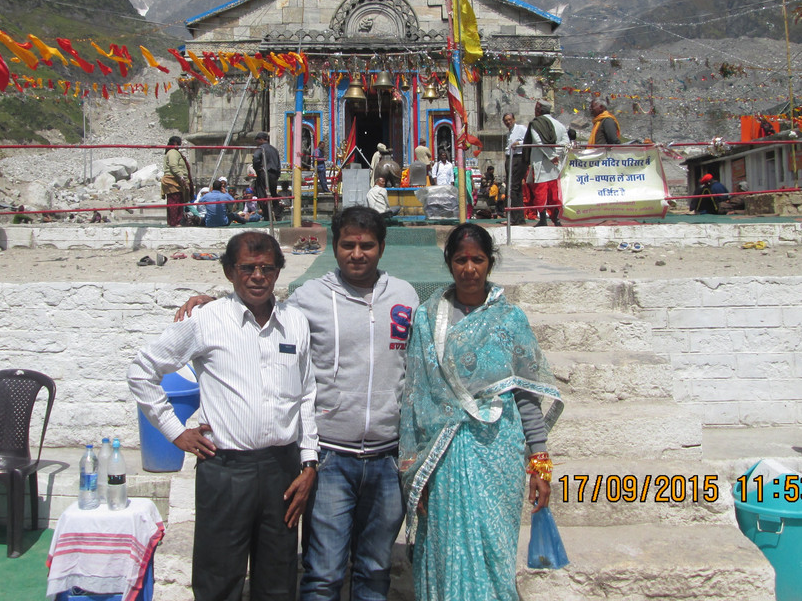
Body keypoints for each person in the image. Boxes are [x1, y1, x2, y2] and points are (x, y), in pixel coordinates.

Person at [177, 207, 419, 601]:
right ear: (333, 247)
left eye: (367, 245)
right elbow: (262, 301)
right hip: (329, 458)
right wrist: (218, 300)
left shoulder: (405, 296)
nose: (357, 253)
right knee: (322, 571)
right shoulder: (309, 297)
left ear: (382, 247)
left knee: (375, 569)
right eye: (348, 245)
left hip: (387, 457)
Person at [128, 232, 317, 601]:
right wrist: (174, 431)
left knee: (278, 579)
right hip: (225, 469)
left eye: (267, 268)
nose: (258, 276)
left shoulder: (296, 323)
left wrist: (308, 462)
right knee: (218, 579)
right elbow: (142, 370)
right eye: (248, 268)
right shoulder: (206, 320)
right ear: (230, 272)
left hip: (282, 469)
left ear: (279, 271)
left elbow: (307, 394)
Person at [399, 223, 563, 601]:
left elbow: (526, 396)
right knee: (443, 551)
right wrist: (413, 469)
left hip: (498, 456)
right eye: (460, 259)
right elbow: (414, 397)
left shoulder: (510, 320)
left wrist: (539, 464)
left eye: (478, 259)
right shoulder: (427, 319)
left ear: (491, 263)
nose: (469, 268)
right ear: (448, 262)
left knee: (494, 552)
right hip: (441, 455)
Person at [526, 100, 569, 227]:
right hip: (555, 165)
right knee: (553, 192)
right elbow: (565, 142)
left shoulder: (536, 124)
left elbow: (538, 142)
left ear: (538, 110)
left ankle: (544, 220)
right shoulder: (560, 125)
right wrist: (556, 154)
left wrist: (551, 156)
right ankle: (556, 218)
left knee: (541, 192)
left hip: (541, 163)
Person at [160, 136, 193, 228]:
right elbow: (173, 165)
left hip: (175, 180)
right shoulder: (173, 152)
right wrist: (182, 177)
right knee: (175, 202)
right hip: (173, 180)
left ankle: (174, 222)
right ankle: (174, 222)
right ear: (175, 143)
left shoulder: (172, 152)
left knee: (176, 201)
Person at [502, 113, 528, 224]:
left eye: (510, 119)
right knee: (511, 188)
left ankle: (516, 218)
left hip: (518, 158)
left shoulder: (521, 129)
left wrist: (519, 143)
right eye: (506, 121)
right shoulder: (509, 133)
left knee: (513, 187)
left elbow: (529, 140)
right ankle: (517, 217)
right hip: (510, 158)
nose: (508, 122)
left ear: (514, 119)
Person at [252, 131, 282, 220]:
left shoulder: (261, 149)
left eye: (257, 140)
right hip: (274, 174)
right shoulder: (274, 149)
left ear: (261, 140)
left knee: (261, 193)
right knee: (273, 193)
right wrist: (277, 174)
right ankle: (277, 214)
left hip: (264, 172)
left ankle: (267, 214)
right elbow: (278, 163)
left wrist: (257, 168)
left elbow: (256, 158)